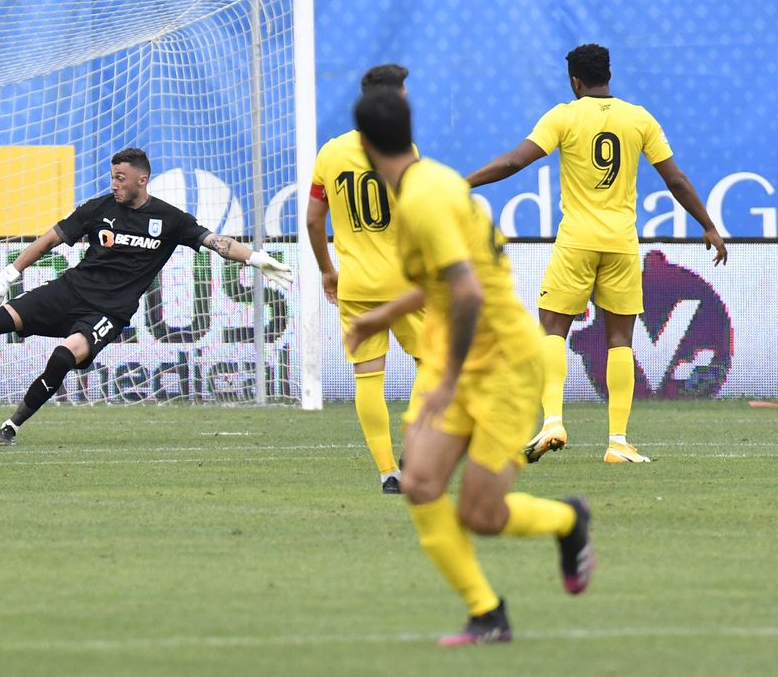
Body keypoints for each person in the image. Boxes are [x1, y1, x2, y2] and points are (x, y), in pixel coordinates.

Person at [347, 87, 593, 646]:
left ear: (362, 145)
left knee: (481, 515)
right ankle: (487, 613)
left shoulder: (422, 200)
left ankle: (567, 520)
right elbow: (442, 280)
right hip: (453, 359)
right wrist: (378, 316)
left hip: (503, 363)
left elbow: (466, 294)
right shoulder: (435, 182)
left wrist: (450, 379)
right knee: (420, 483)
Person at [466, 44, 727, 464]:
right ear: (610, 75)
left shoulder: (564, 116)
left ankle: (553, 420)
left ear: (574, 81)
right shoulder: (638, 118)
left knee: (552, 327)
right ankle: (618, 442)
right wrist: (709, 226)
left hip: (577, 241)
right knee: (620, 338)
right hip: (622, 243)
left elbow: (515, 161)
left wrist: (465, 182)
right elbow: (675, 178)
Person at [0, 147, 294, 445]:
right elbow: (50, 239)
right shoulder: (97, 208)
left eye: (120, 178)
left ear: (141, 180)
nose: (114, 184)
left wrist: (254, 258)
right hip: (69, 291)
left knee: (61, 359)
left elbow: (215, 241)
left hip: (108, 313)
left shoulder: (169, 219)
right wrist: (10, 273)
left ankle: (10, 427)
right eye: (112, 177)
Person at [306, 64, 425, 493]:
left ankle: (388, 472)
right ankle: (415, 447)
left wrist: (327, 271)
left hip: (355, 282)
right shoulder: (404, 151)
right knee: (434, 362)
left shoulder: (330, 153)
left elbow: (314, 221)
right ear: (395, 100)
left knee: (368, 376)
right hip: (405, 283)